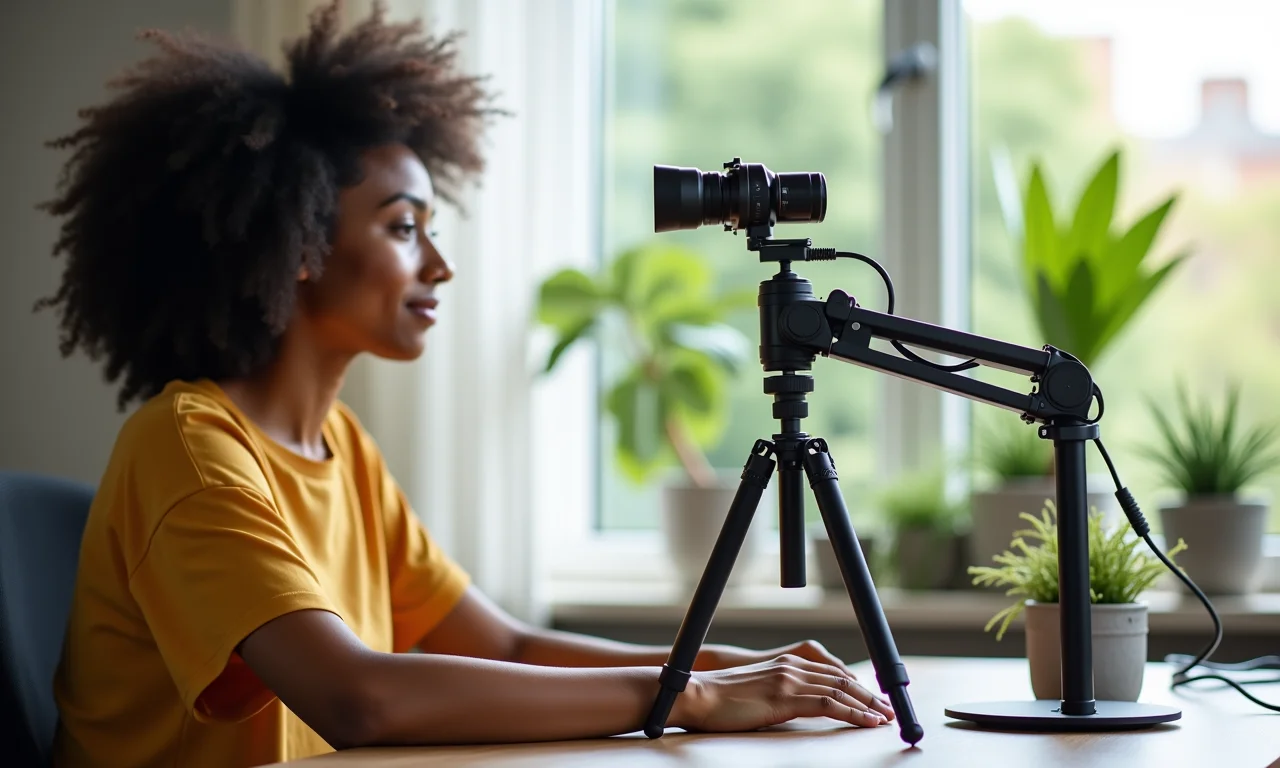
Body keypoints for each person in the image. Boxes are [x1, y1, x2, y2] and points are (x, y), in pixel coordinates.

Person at [38, 2, 895, 765]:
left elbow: (511, 647)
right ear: (298, 244)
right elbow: (358, 698)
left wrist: (741, 670)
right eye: (404, 228)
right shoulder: (188, 450)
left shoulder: (343, 452)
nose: (439, 266)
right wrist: (692, 698)